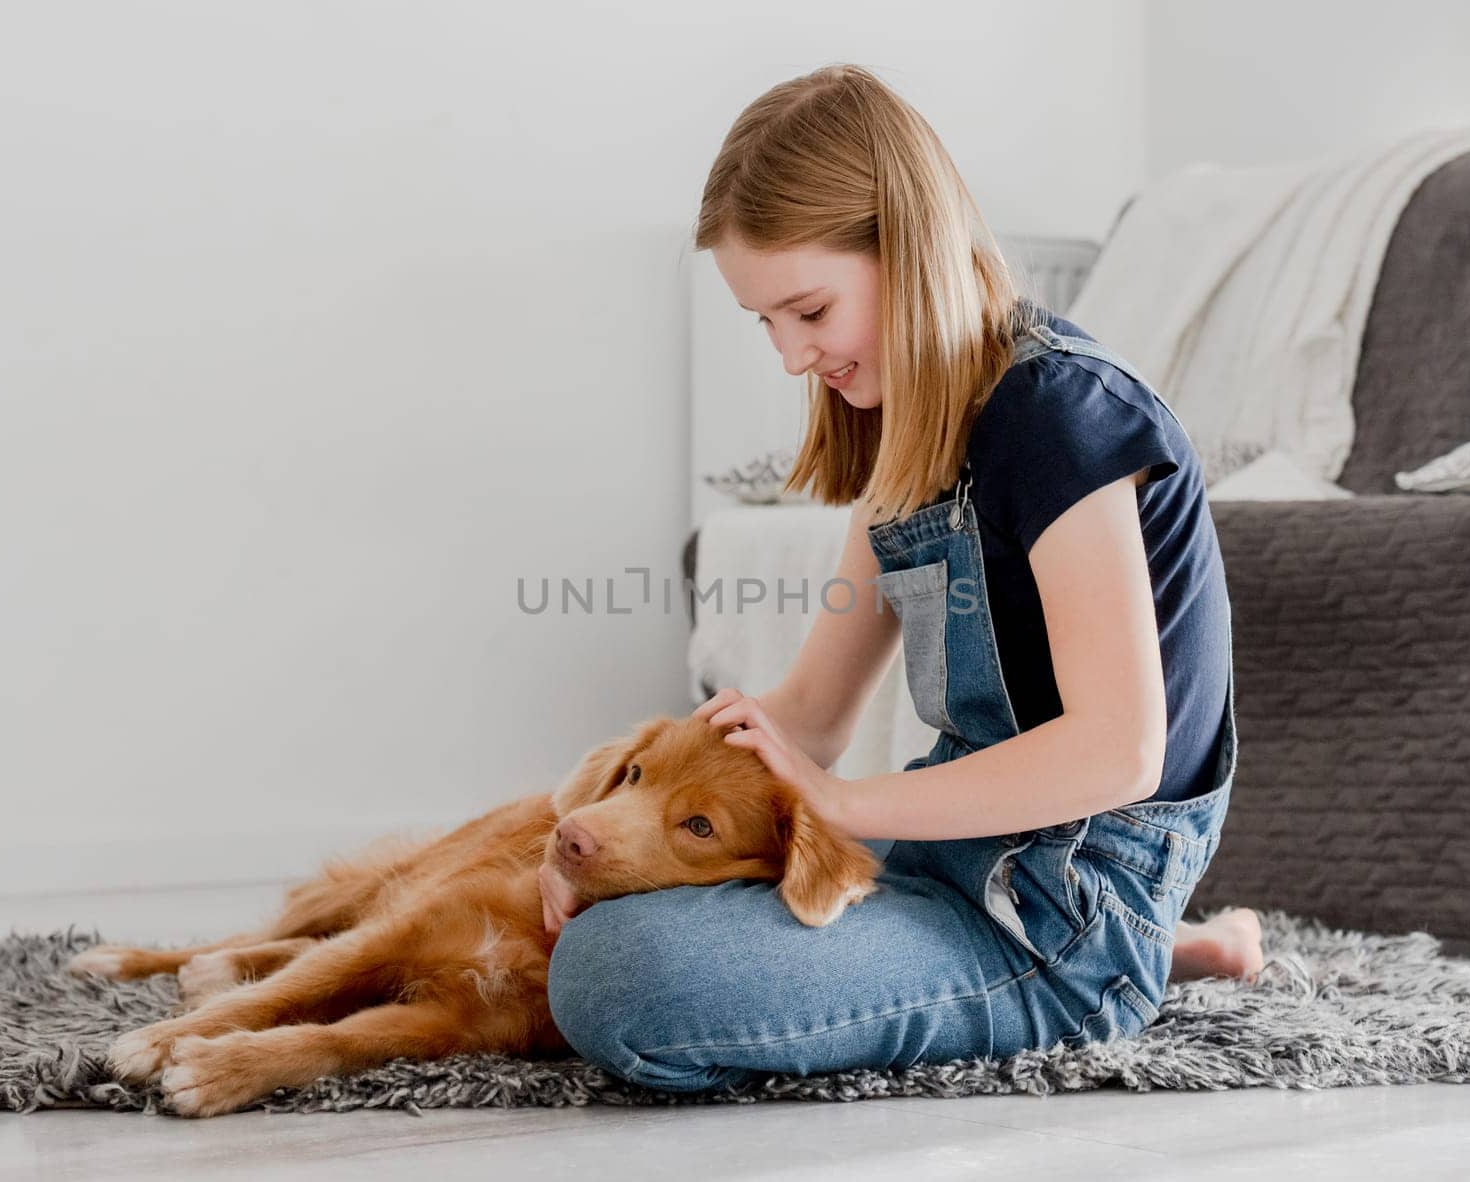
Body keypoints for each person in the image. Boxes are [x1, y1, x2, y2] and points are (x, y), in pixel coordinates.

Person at [540, 63, 1263, 1094]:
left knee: (618, 978)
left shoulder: (1059, 415)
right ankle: (1179, 954)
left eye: (809, 311)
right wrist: (591, 836)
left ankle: (1127, 967)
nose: (792, 356)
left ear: (906, 248)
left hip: (1056, 916)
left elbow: (1119, 751)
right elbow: (810, 712)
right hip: (947, 860)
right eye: (766, 324)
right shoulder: (909, 432)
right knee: (614, 915)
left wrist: (838, 802)